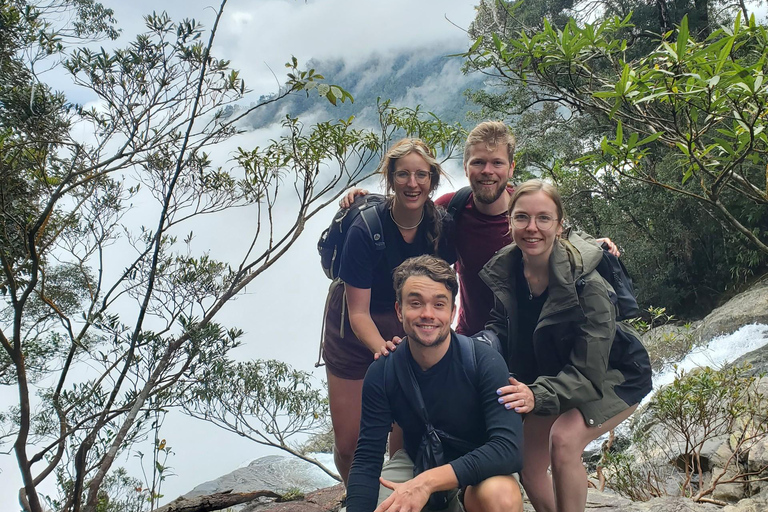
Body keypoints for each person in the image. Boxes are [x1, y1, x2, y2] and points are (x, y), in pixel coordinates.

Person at [341, 121, 619, 339]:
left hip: (527, 341)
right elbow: (408, 207)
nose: (488, 171)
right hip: (472, 338)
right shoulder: (451, 209)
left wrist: (592, 246)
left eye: (497, 163)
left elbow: (558, 239)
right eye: (478, 163)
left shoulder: (528, 213)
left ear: (511, 168)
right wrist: (363, 199)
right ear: (466, 167)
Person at [479, 180, 652, 512]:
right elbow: (500, 325)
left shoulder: (587, 286)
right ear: (509, 222)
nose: (532, 228)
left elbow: (588, 376)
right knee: (528, 465)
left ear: (559, 225)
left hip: (616, 374)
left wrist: (536, 396)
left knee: (564, 440)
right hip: (558, 375)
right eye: (522, 218)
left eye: (544, 218)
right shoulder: (507, 268)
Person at [322, 139, 455, 485]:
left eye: (421, 175)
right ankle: (356, 496)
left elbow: (443, 290)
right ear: (390, 178)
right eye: (403, 174)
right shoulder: (366, 228)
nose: (413, 183)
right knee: (350, 442)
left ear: (433, 180)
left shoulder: (441, 227)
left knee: (404, 434)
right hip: (353, 328)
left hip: (409, 323)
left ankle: (395, 498)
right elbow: (358, 312)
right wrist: (383, 351)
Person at [347, 255, 524, 512]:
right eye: (416, 303)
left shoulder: (484, 361)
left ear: (452, 312)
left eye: (439, 304)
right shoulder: (384, 371)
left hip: (480, 467)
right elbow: (367, 460)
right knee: (386, 506)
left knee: (500, 497)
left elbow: (508, 449)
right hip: (417, 460)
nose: (427, 314)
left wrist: (427, 483)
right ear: (399, 310)